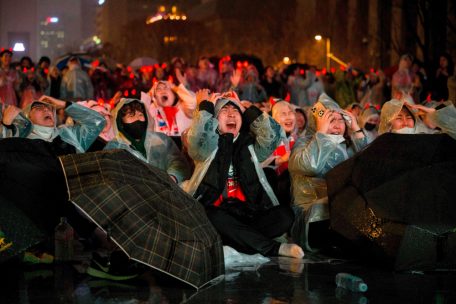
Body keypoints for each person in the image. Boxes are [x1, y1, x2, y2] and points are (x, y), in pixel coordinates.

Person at [183, 89, 304, 259]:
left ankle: (238, 242)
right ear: (215, 119)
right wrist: (205, 106)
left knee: (285, 215)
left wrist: (245, 108)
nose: (231, 114)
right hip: (219, 215)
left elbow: (272, 136)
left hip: (248, 214)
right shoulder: (208, 146)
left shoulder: (249, 145)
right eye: (224, 111)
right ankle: (273, 248)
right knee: (211, 216)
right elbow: (196, 140)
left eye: (235, 111)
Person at [288, 93, 368, 250]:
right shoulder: (303, 144)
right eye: (331, 120)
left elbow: (367, 165)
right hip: (313, 217)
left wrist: (356, 130)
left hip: (343, 214)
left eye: (341, 120)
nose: (337, 125)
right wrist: (323, 135)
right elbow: (311, 166)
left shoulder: (347, 146)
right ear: (317, 123)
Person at [105, 98, 190, 184]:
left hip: (171, 191)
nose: (137, 119)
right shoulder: (114, 148)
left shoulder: (161, 139)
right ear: (120, 122)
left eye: (140, 115)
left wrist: (172, 177)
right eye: (131, 116)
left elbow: (177, 161)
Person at [144, 77, 196, 148]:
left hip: (186, 154)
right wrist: (150, 93)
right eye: (158, 89)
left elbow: (192, 101)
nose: (163, 91)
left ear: (174, 94)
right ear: (155, 97)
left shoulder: (184, 107)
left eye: (166, 88)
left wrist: (175, 87)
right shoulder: (153, 112)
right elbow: (141, 109)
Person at [378, 98, 456, 140]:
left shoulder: (427, 138)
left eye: (409, 117)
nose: (405, 122)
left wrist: (434, 115)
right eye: (399, 118)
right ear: (388, 124)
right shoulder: (383, 148)